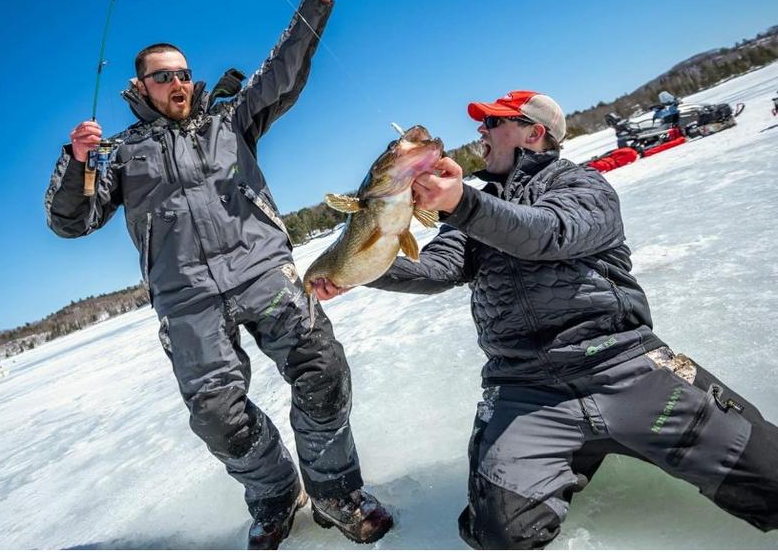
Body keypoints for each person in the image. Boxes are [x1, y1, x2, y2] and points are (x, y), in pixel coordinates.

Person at [312, 89, 778, 548]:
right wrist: (358, 267)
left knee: (771, 476)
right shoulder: (473, 211)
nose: (481, 129)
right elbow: (436, 269)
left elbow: (547, 234)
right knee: (496, 533)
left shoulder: (580, 185)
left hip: (621, 366)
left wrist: (463, 204)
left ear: (534, 133)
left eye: (494, 122)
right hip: (524, 388)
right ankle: (570, 449)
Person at [45, 0, 392, 550]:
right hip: (187, 300)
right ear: (140, 88)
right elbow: (70, 222)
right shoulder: (121, 154)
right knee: (216, 415)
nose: (178, 82)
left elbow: (282, 72)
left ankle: (336, 490)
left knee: (322, 370)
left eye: (182, 72)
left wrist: (316, 2)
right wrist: (76, 161)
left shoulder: (229, 121)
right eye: (163, 76)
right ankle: (278, 493)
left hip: (262, 272)